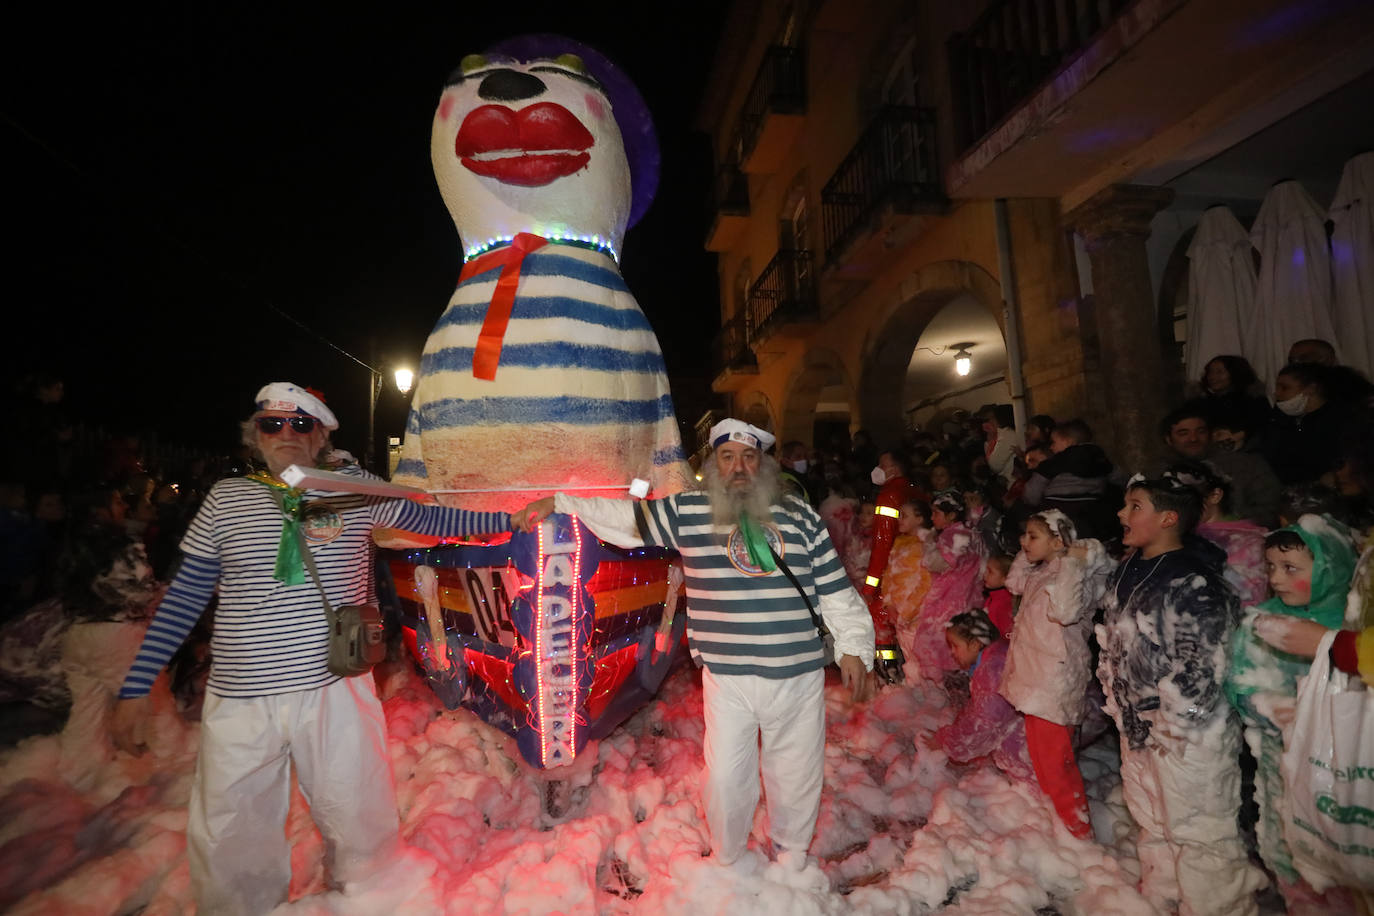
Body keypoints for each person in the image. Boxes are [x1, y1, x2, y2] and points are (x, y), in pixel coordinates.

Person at [110, 383, 513, 915]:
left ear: (321, 433)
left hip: (335, 687)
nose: (286, 434)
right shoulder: (226, 499)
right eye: (271, 424)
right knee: (232, 830)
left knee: (357, 811)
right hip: (241, 697)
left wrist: (514, 519)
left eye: (301, 424)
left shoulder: (352, 488)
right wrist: (137, 685)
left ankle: (369, 900)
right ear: (254, 435)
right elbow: (185, 595)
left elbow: (437, 522)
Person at [513, 418, 874, 873]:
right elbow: (624, 518)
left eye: (748, 457)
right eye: (728, 457)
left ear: (763, 465)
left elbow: (836, 591)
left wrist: (854, 649)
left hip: (796, 674)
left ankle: (792, 857)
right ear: (715, 465)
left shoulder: (801, 517)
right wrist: (559, 502)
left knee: (796, 772)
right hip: (728, 677)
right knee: (725, 776)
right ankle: (728, 858)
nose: (738, 467)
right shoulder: (688, 512)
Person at [1096, 475, 1266, 914]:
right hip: (1140, 728)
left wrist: (1179, 725)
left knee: (1199, 830)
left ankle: (1218, 907)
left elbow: (1204, 670)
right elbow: (1116, 644)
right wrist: (1126, 710)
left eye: (1135, 506)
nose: (1122, 514)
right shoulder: (1128, 571)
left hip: (1188, 738)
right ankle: (1167, 894)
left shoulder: (1194, 585)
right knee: (1153, 816)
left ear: (1169, 518)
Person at [1226, 515, 1359, 914]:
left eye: (1291, 568)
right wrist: (1266, 707)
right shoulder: (1261, 621)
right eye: (1270, 567)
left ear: (1330, 569)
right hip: (1280, 767)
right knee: (1288, 851)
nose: (1277, 578)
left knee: (1341, 862)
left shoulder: (1352, 630)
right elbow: (1240, 685)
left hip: (1342, 773)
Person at [999, 509, 1114, 840]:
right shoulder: (1043, 571)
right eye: (1024, 536)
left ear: (1058, 540)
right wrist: (1032, 550)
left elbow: (1064, 611)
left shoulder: (1076, 576)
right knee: (1044, 757)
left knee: (1055, 762)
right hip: (1035, 680)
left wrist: (1073, 561)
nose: (1024, 542)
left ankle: (1077, 831)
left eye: (1033, 536)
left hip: (1053, 682)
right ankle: (1061, 820)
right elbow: (1013, 582)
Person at [930, 610, 1032, 781]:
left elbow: (984, 723)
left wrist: (946, 742)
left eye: (955, 646)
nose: (952, 653)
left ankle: (1032, 793)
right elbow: (978, 708)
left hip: (1036, 738)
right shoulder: (994, 656)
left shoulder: (993, 668)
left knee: (1013, 754)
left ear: (976, 644)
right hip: (1042, 725)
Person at [909, 492, 987, 684]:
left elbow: (936, 562)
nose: (932, 517)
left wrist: (928, 542)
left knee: (941, 648)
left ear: (952, 515)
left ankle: (944, 693)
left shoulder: (954, 536)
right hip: (969, 598)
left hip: (949, 601)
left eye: (936, 513)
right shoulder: (972, 533)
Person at [1161, 403, 1281, 526]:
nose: (1193, 438)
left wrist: (1226, 522)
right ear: (1169, 439)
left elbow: (1270, 509)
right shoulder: (1158, 474)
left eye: (1200, 431)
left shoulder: (1247, 465)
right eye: (1183, 433)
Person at [862, 450, 926, 681]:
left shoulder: (889, 495)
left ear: (894, 469)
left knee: (882, 624)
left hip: (895, 574)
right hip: (917, 574)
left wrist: (871, 586)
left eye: (882, 464)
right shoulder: (915, 490)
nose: (877, 468)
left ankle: (889, 676)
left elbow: (881, 542)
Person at [1020, 419, 1119, 541]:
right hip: (1091, 520)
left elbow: (1031, 494)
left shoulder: (1053, 463)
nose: (1051, 447)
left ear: (1068, 441)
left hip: (1056, 518)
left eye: (1053, 442)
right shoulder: (1102, 460)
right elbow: (1121, 480)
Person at [1263, 363, 1347, 485]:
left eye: (1284, 388)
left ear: (1311, 389)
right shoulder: (1279, 418)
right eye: (1277, 388)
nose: (1277, 393)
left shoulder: (1339, 420)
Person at [884, 499, 933, 672]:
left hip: (917, 614)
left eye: (904, 516)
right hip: (898, 613)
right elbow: (889, 574)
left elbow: (926, 582)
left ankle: (927, 695)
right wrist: (889, 604)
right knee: (908, 656)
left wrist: (908, 612)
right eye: (899, 516)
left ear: (919, 519)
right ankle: (914, 693)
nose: (899, 519)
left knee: (922, 660)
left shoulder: (927, 543)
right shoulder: (899, 542)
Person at [980, 553, 1013, 639]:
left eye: (990, 571)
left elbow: (1006, 636)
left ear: (1005, 579)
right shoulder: (992, 597)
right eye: (986, 570)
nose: (985, 574)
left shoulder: (1005, 604)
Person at [777, 440, 812, 505]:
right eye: (798, 456)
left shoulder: (801, 477)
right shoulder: (787, 482)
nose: (803, 460)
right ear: (785, 461)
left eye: (805, 456)